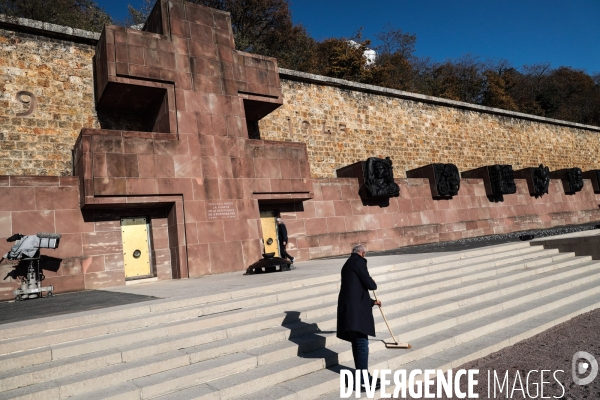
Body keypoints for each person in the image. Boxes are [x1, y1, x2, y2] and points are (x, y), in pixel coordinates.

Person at [337, 244, 381, 390]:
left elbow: (354, 290)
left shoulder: (348, 264)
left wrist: (372, 302)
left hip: (350, 311)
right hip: (355, 315)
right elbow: (369, 285)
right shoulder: (359, 262)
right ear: (362, 253)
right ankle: (361, 380)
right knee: (361, 344)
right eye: (365, 255)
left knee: (358, 344)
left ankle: (364, 376)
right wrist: (373, 282)